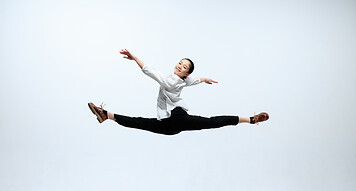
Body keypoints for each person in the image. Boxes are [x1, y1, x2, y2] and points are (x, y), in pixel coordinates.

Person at [88, 49, 269, 135]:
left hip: (177, 119)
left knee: (213, 122)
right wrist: (202, 79)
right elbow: (189, 81)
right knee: (137, 122)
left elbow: (152, 71)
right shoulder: (181, 79)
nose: (179, 66)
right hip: (168, 124)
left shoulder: (170, 80)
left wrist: (136, 58)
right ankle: (105, 115)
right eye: (179, 63)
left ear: (186, 72)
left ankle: (251, 119)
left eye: (183, 66)